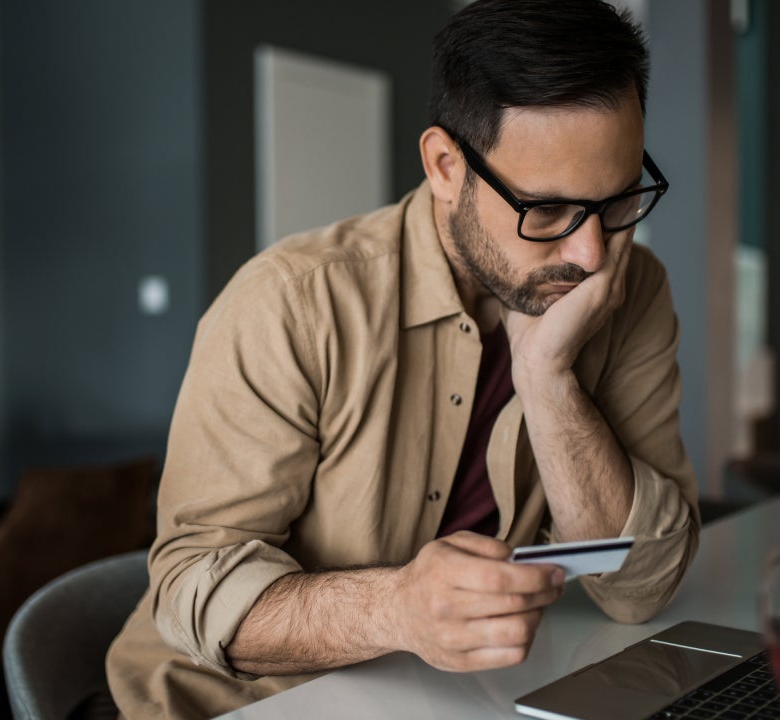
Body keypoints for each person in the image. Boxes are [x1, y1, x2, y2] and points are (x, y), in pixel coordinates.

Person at [106, 0, 699, 717]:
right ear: (447, 165)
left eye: (620, 199)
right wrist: (396, 610)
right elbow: (193, 582)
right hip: (231, 703)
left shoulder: (629, 292)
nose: (592, 253)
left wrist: (547, 378)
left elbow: (638, 588)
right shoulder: (291, 304)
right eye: (546, 211)